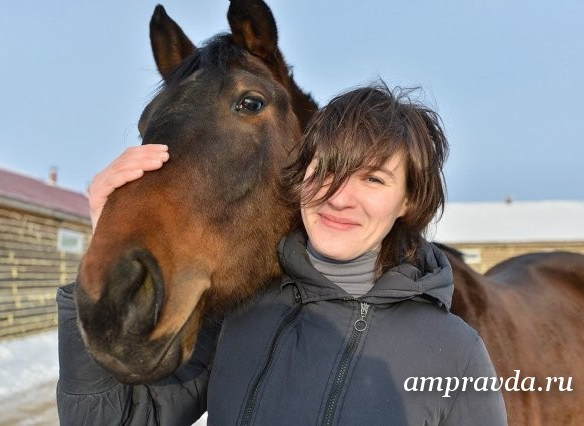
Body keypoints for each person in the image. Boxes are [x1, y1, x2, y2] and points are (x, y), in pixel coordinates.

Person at [57, 83, 508, 425]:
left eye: (372, 179)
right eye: (325, 169)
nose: (339, 198)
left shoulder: (455, 352)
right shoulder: (239, 313)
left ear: (408, 201)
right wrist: (108, 238)